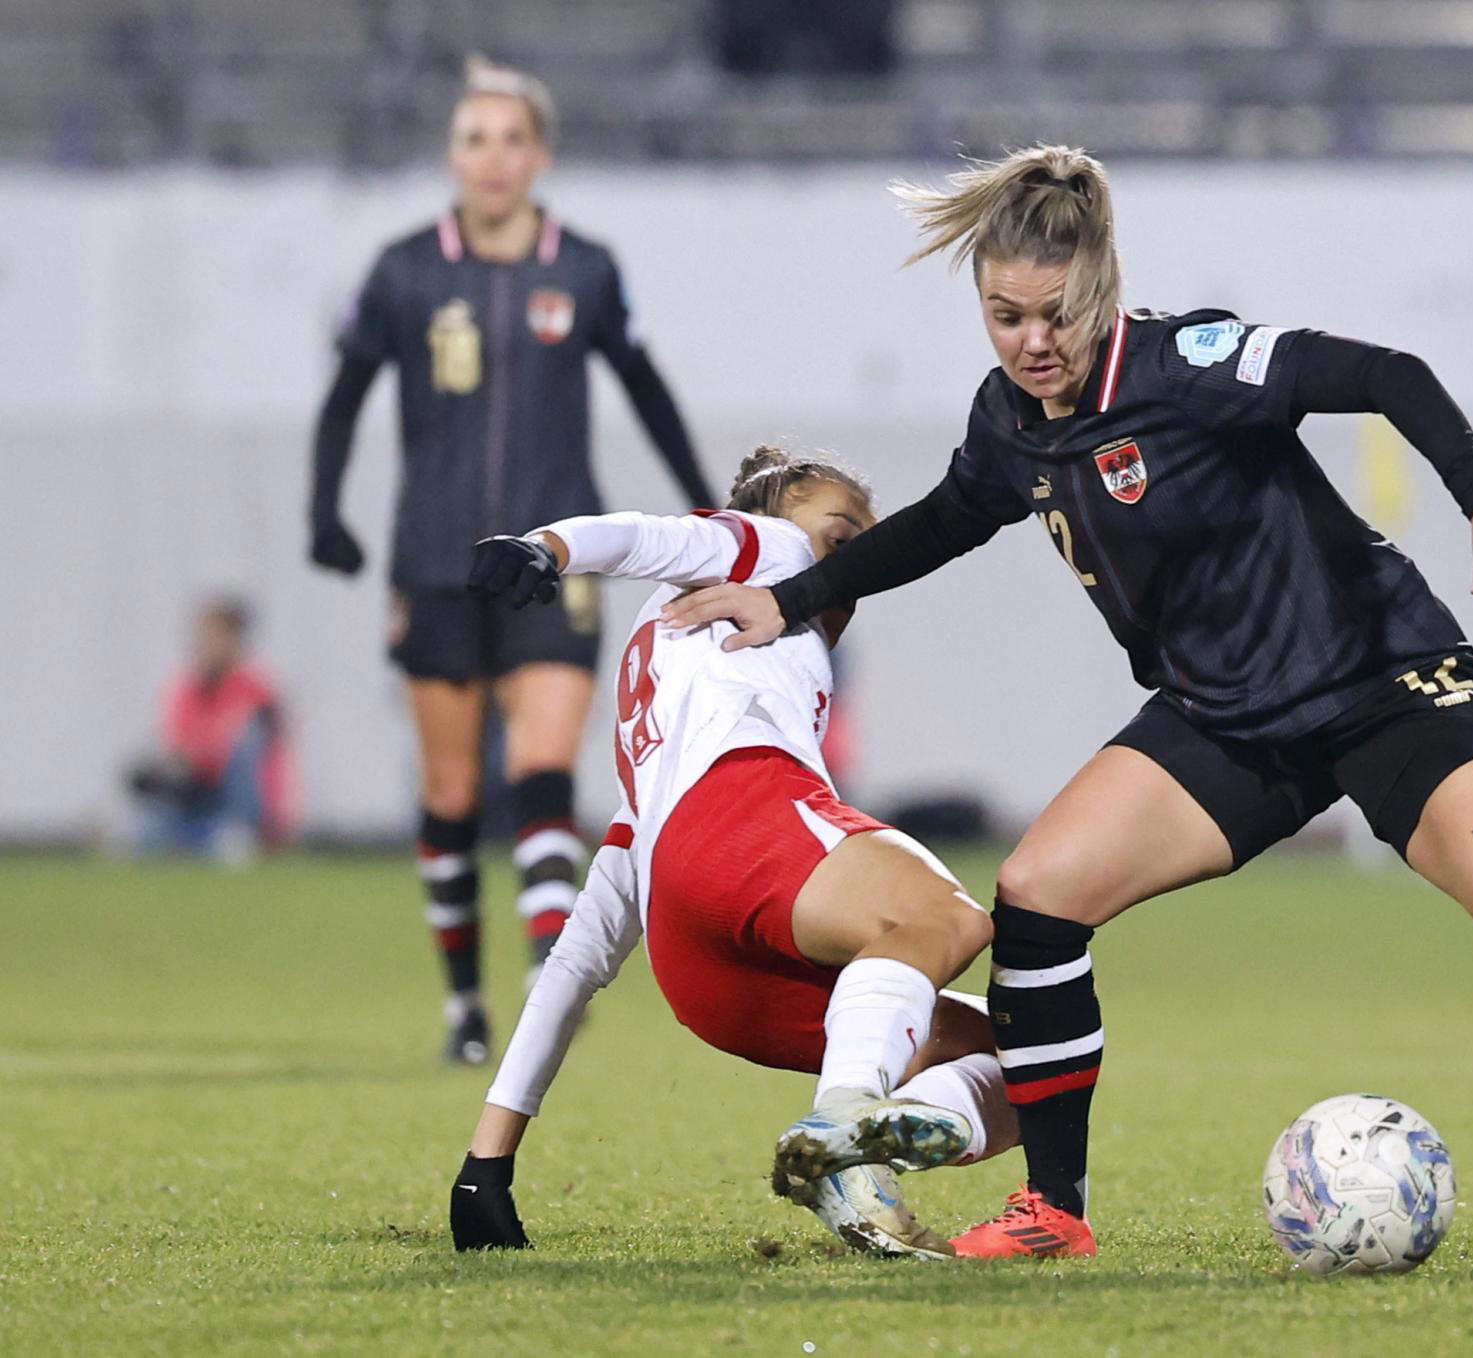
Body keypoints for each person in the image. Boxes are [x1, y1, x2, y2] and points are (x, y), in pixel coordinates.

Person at [664, 146, 1473, 1265]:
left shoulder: (1189, 361)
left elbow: (1386, 371)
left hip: (1383, 685)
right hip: (1222, 719)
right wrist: (790, 597)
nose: (1031, 342)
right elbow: (945, 518)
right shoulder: (1009, 420)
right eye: (1004, 316)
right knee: (1038, 893)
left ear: (1097, 287)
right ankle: (1053, 1206)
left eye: (1052, 314)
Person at [448, 447, 1017, 1257]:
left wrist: (485, 1163)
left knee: (1034, 1058)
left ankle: (864, 1154)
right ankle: (844, 1138)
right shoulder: (767, 549)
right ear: (779, 518)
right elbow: (650, 537)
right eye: (840, 534)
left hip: (698, 961)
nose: (854, 560)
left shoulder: (672, 676)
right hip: (742, 823)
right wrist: (548, 547)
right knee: (945, 918)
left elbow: (583, 950)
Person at [307, 56, 719, 1065]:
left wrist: (706, 508)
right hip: (433, 562)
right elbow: (346, 395)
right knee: (452, 794)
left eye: (510, 138)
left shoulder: (583, 269)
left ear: (538, 154)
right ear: (453, 155)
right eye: (473, 139)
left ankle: (547, 973)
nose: (492, 158)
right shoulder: (404, 269)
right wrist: (325, 511)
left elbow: (645, 384)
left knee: (540, 764)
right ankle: (463, 1006)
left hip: (551, 556)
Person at [128, 597, 297, 862]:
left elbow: (266, 764)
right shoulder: (185, 688)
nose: (205, 645)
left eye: (214, 637)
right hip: (196, 796)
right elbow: (178, 750)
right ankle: (207, 839)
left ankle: (234, 835)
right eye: (202, 636)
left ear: (235, 641)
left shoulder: (258, 692)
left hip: (238, 800)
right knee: (145, 830)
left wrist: (277, 821)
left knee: (247, 742)